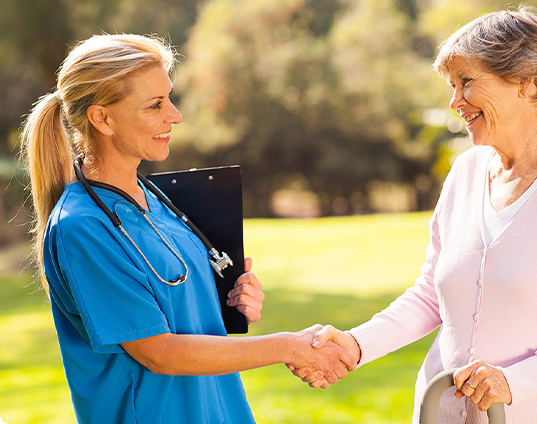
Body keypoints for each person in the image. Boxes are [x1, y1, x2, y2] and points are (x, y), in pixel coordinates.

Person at [292, 6, 537, 423]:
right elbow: (430, 295)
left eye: (466, 82)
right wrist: (357, 344)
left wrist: (516, 381)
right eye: (451, 85)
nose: (455, 101)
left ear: (525, 82)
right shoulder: (467, 170)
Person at [20, 34, 357, 424]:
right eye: (155, 105)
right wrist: (287, 346)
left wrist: (230, 300)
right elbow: (157, 352)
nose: (175, 115)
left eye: (169, 98)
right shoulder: (83, 227)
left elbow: (180, 306)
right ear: (102, 118)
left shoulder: (157, 199)